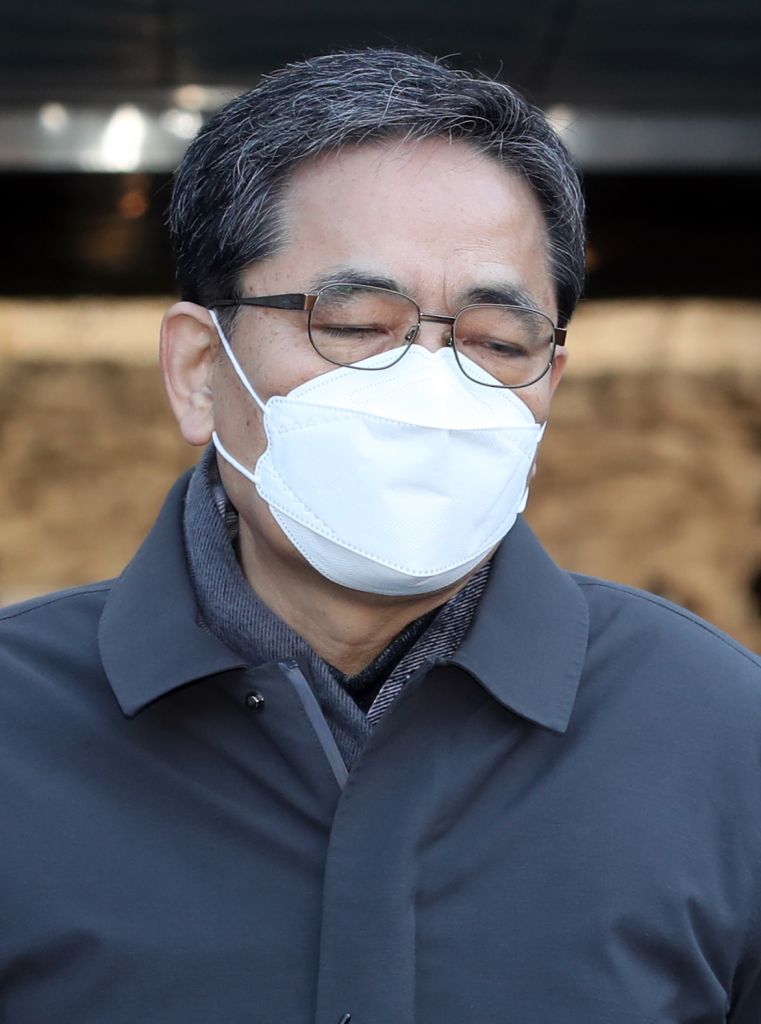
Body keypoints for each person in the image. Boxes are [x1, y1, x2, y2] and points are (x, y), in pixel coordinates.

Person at [1, 48, 760, 1024]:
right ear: (198, 370)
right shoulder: (18, 730)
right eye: (356, 325)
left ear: (550, 384)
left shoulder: (720, 735)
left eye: (496, 342)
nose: (429, 389)